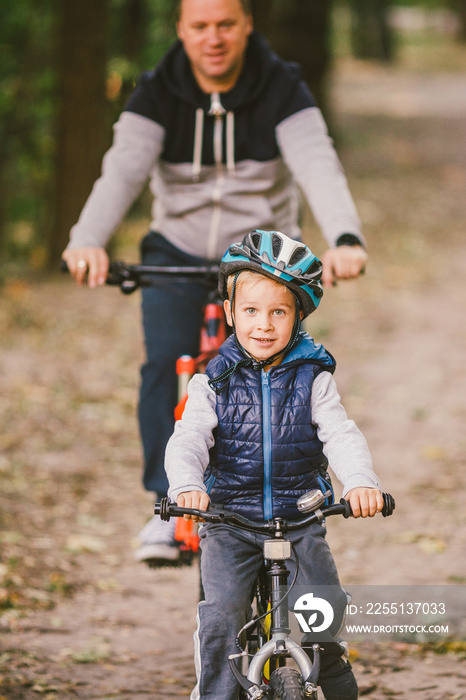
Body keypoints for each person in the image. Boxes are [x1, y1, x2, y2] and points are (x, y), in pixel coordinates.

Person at [62, 0, 368, 564]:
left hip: (263, 261)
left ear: (247, 24)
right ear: (181, 30)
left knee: (282, 370)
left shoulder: (282, 88)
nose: (214, 38)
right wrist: (87, 238)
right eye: (200, 26)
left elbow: (317, 164)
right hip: (177, 251)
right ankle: (167, 500)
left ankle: (280, 489)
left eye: (226, 24)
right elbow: (121, 168)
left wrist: (345, 236)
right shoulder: (156, 92)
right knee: (164, 363)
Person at [165, 229, 383, 700]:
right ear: (229, 312)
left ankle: (337, 678)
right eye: (250, 311)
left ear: (298, 316)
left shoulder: (313, 378)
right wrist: (186, 485)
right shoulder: (212, 382)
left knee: (324, 614)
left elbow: (341, 434)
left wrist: (360, 482)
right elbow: (188, 440)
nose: (263, 325)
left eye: (278, 312)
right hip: (230, 520)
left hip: (299, 518)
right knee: (222, 619)